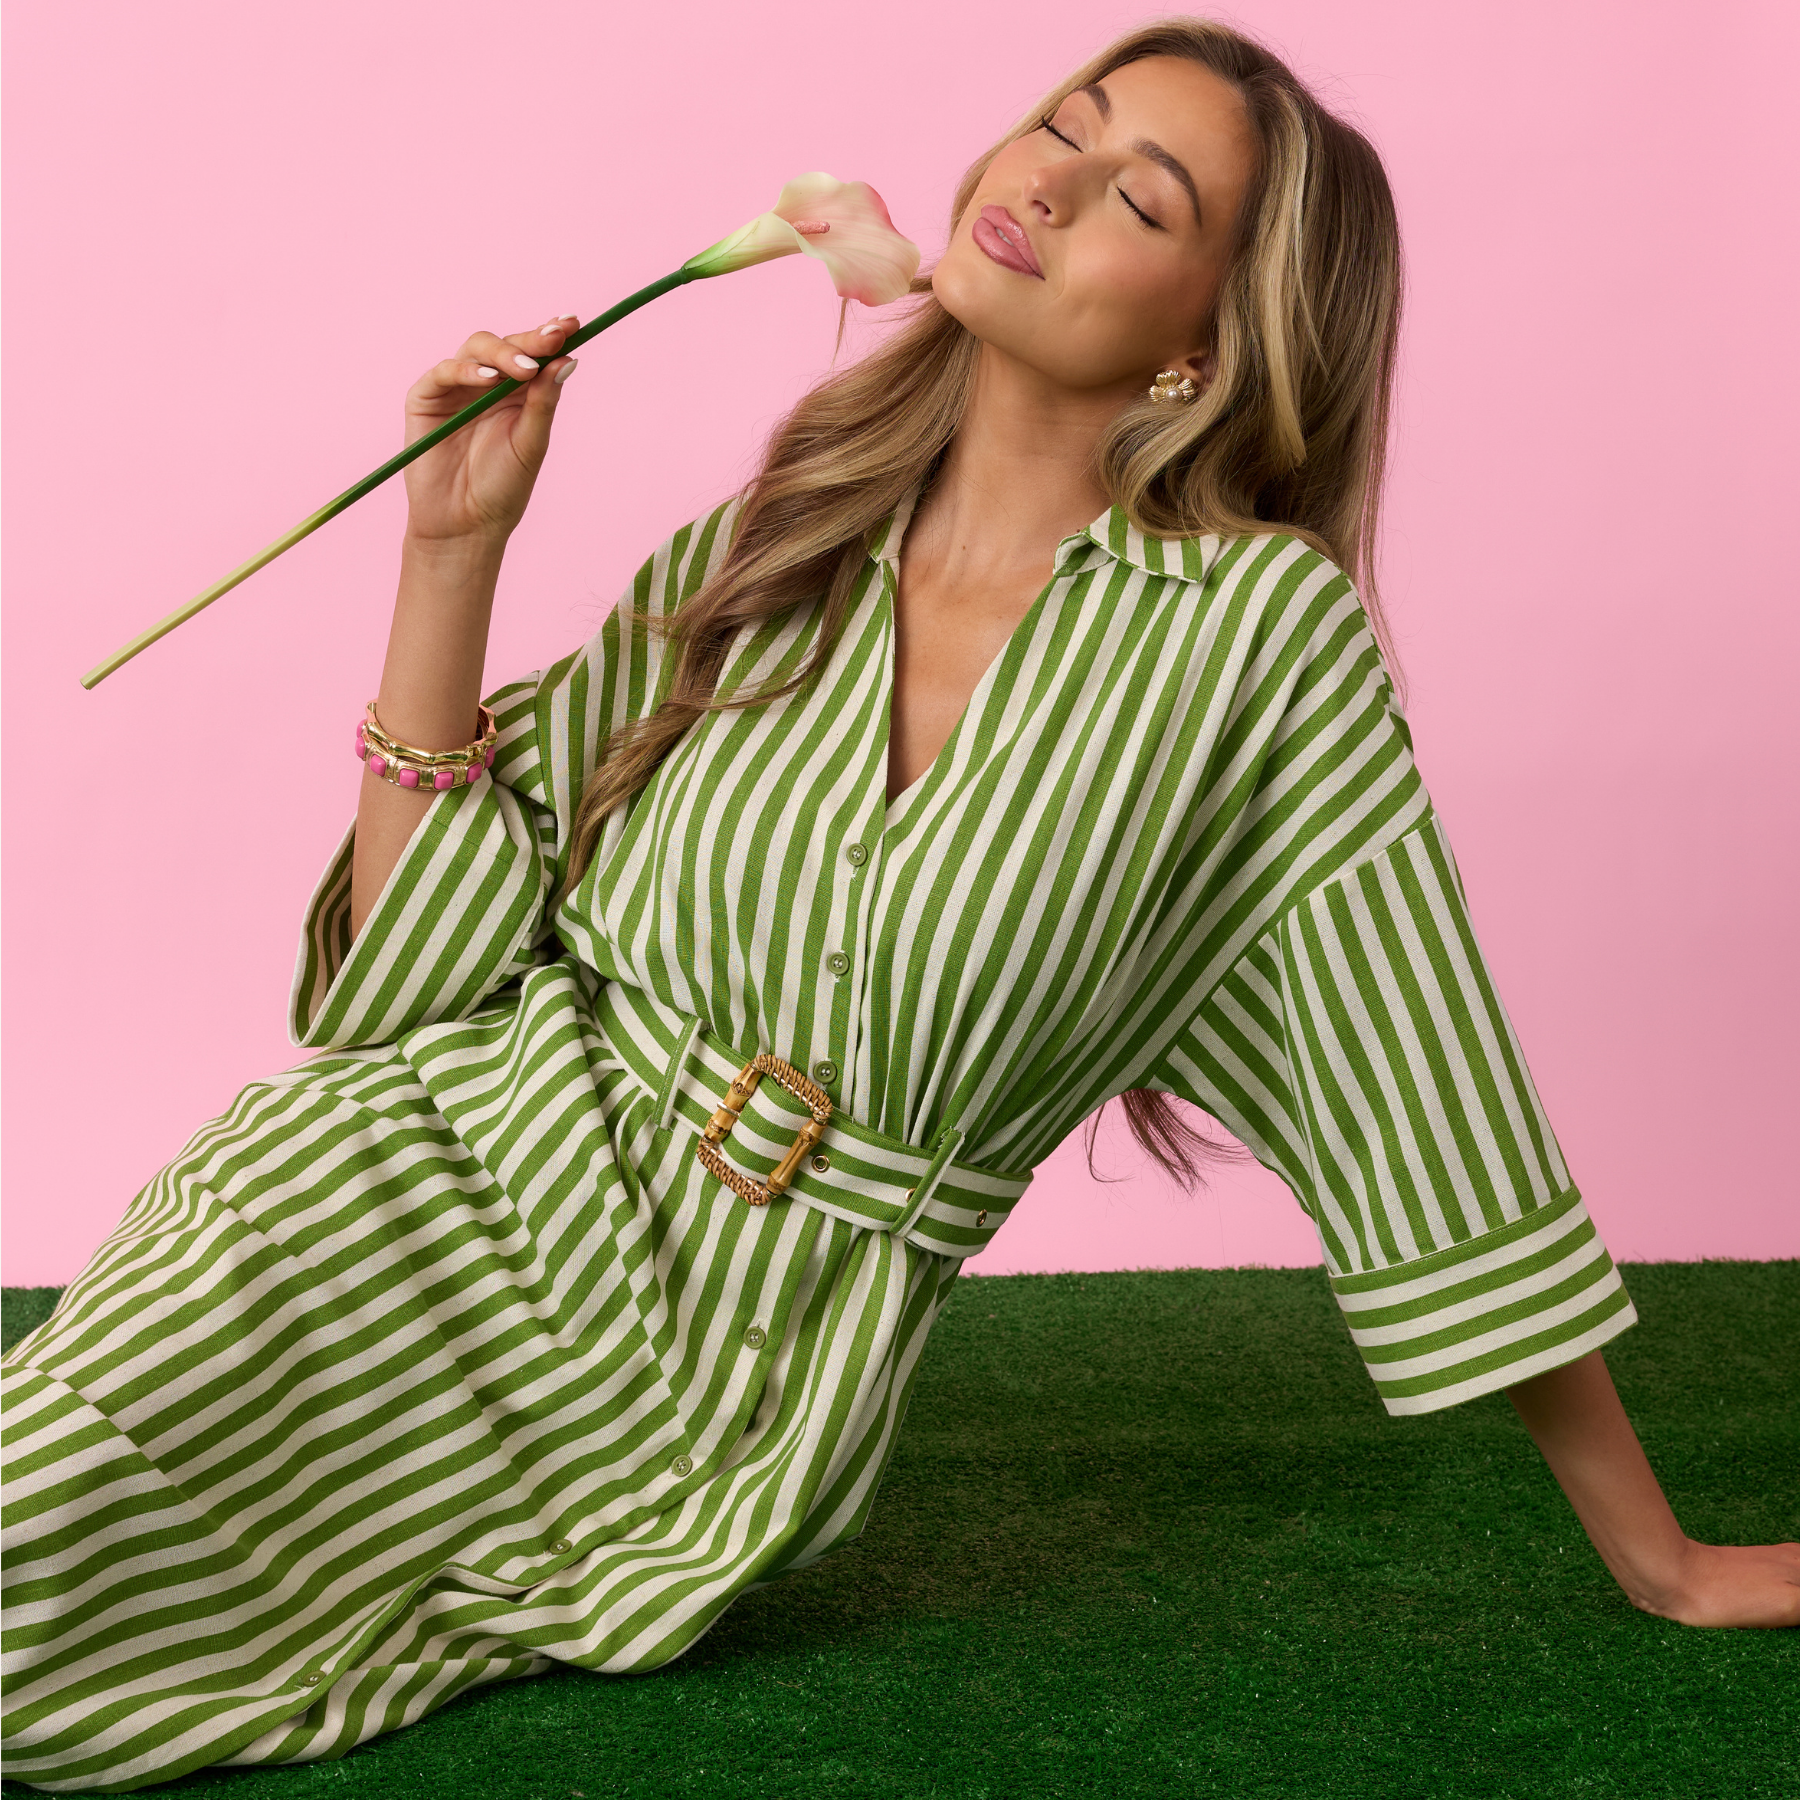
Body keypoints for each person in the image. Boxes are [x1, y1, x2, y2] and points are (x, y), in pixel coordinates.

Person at [5, 15, 1796, 1792]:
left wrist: (1663, 1556)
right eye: (1058, 126)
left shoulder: (1257, 644)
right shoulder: (775, 538)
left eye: (1139, 200)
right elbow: (401, 993)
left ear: (1209, 342)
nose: (1046, 179)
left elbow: (1426, 1090)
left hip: (710, 1387)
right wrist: (451, 549)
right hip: (402, 1190)